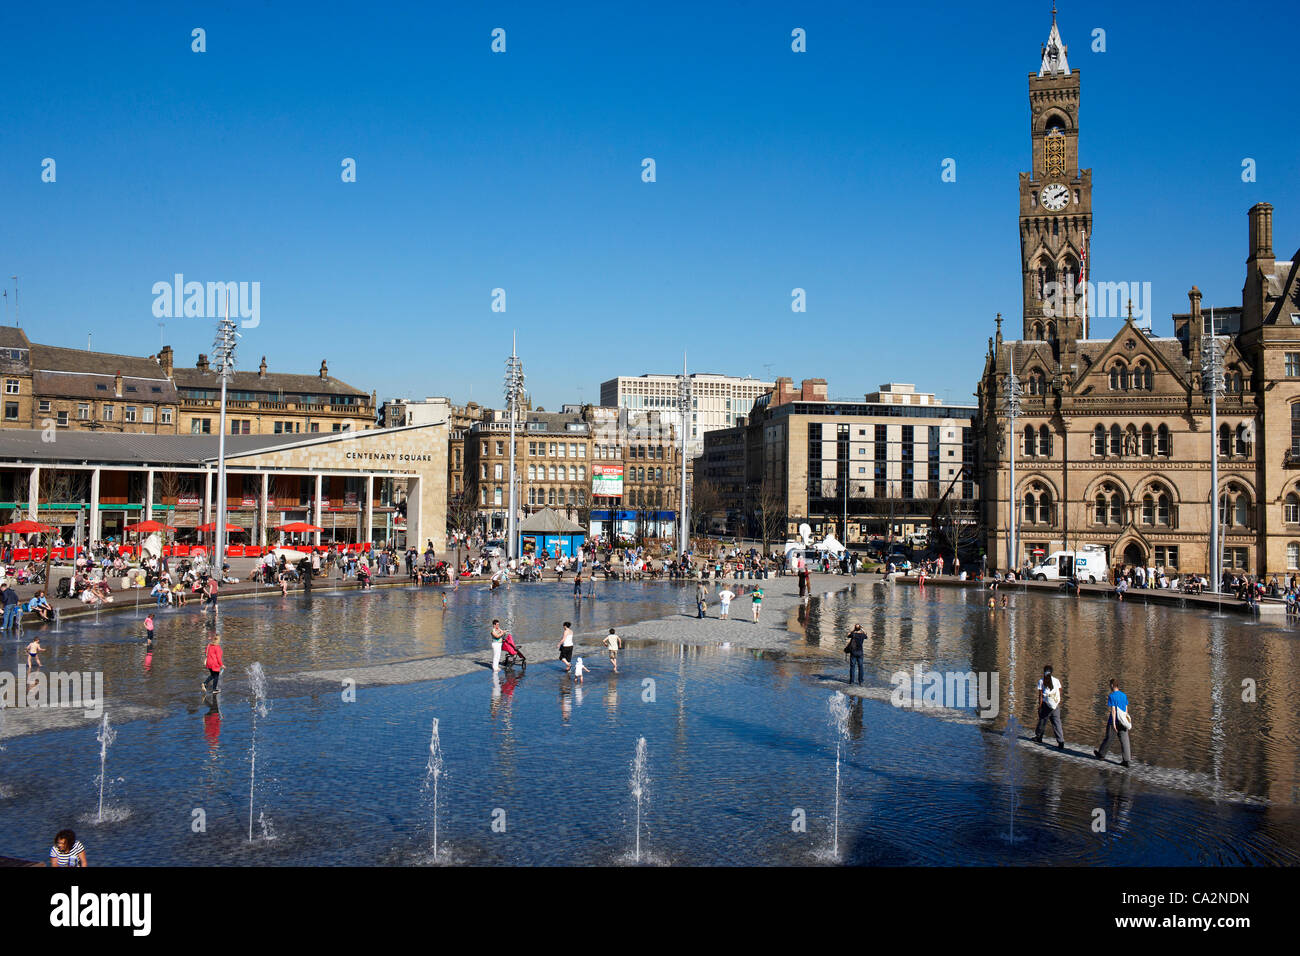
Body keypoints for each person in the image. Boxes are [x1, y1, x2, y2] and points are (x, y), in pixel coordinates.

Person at [1094, 677, 1131, 767]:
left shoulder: (1112, 696)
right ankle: (1126, 761)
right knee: (1125, 741)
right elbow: (1126, 709)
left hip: (1114, 721)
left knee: (1109, 738)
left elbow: (1113, 710)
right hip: (1123, 721)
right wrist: (1126, 720)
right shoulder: (1124, 695)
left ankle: (1101, 755)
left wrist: (1114, 723)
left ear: (1111, 685)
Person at [1033, 664, 1064, 749]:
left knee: (1042, 721)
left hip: (1046, 706)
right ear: (1052, 672)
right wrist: (1057, 700)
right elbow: (1060, 690)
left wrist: (1039, 706)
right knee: (1057, 723)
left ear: (1044, 672)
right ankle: (1061, 742)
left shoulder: (1041, 681)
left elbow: (1040, 696)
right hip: (1055, 705)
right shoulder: (1056, 680)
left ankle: (1039, 737)